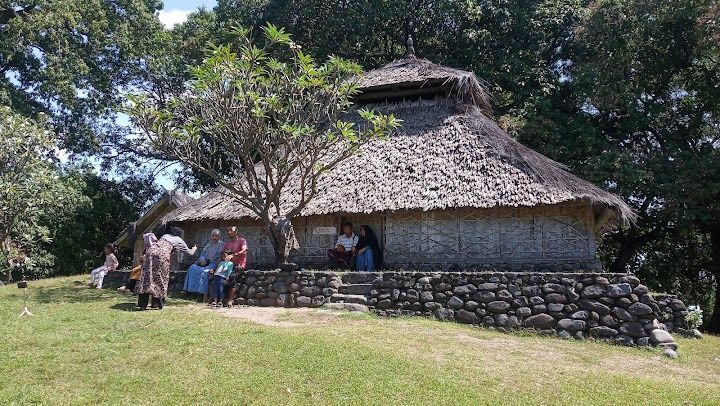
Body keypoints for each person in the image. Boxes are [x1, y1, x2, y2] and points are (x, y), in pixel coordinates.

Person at [135, 226, 197, 310]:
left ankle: (142, 304)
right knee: (161, 278)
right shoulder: (179, 240)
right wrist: (194, 248)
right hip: (162, 255)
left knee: (147, 277)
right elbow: (190, 253)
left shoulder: (165, 236)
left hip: (150, 252)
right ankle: (157, 304)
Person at [182, 229, 224, 298]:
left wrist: (215, 266)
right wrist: (202, 259)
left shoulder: (221, 245)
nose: (214, 237)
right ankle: (189, 290)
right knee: (192, 268)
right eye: (213, 235)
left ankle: (201, 292)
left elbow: (220, 257)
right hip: (204, 262)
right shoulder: (209, 244)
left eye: (216, 236)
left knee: (205, 272)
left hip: (213, 263)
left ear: (219, 236)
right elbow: (203, 254)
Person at [222, 226, 247, 307]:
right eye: (228, 230)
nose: (229, 232)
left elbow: (244, 251)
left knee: (233, 276)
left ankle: (230, 299)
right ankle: (216, 298)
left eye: (231, 230)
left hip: (239, 264)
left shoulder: (242, 240)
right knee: (216, 276)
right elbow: (223, 255)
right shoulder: (227, 244)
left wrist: (233, 255)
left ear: (236, 232)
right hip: (228, 265)